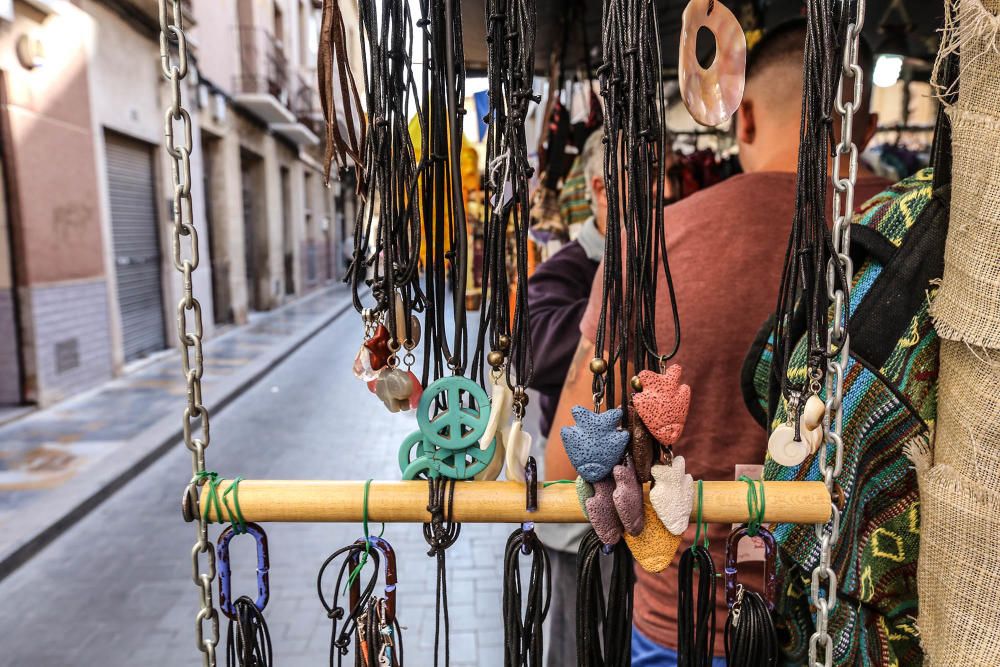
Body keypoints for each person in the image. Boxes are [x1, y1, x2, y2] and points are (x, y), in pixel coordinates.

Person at [544, 21, 892, 666]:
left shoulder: (656, 245)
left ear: (745, 115)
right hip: (867, 623)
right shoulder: (928, 238)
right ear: (864, 125)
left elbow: (565, 466)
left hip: (689, 622)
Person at [526, 128, 607, 667]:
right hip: (579, 514)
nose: (664, 191)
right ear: (601, 188)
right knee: (578, 649)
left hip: (636, 511)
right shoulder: (567, 269)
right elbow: (533, 346)